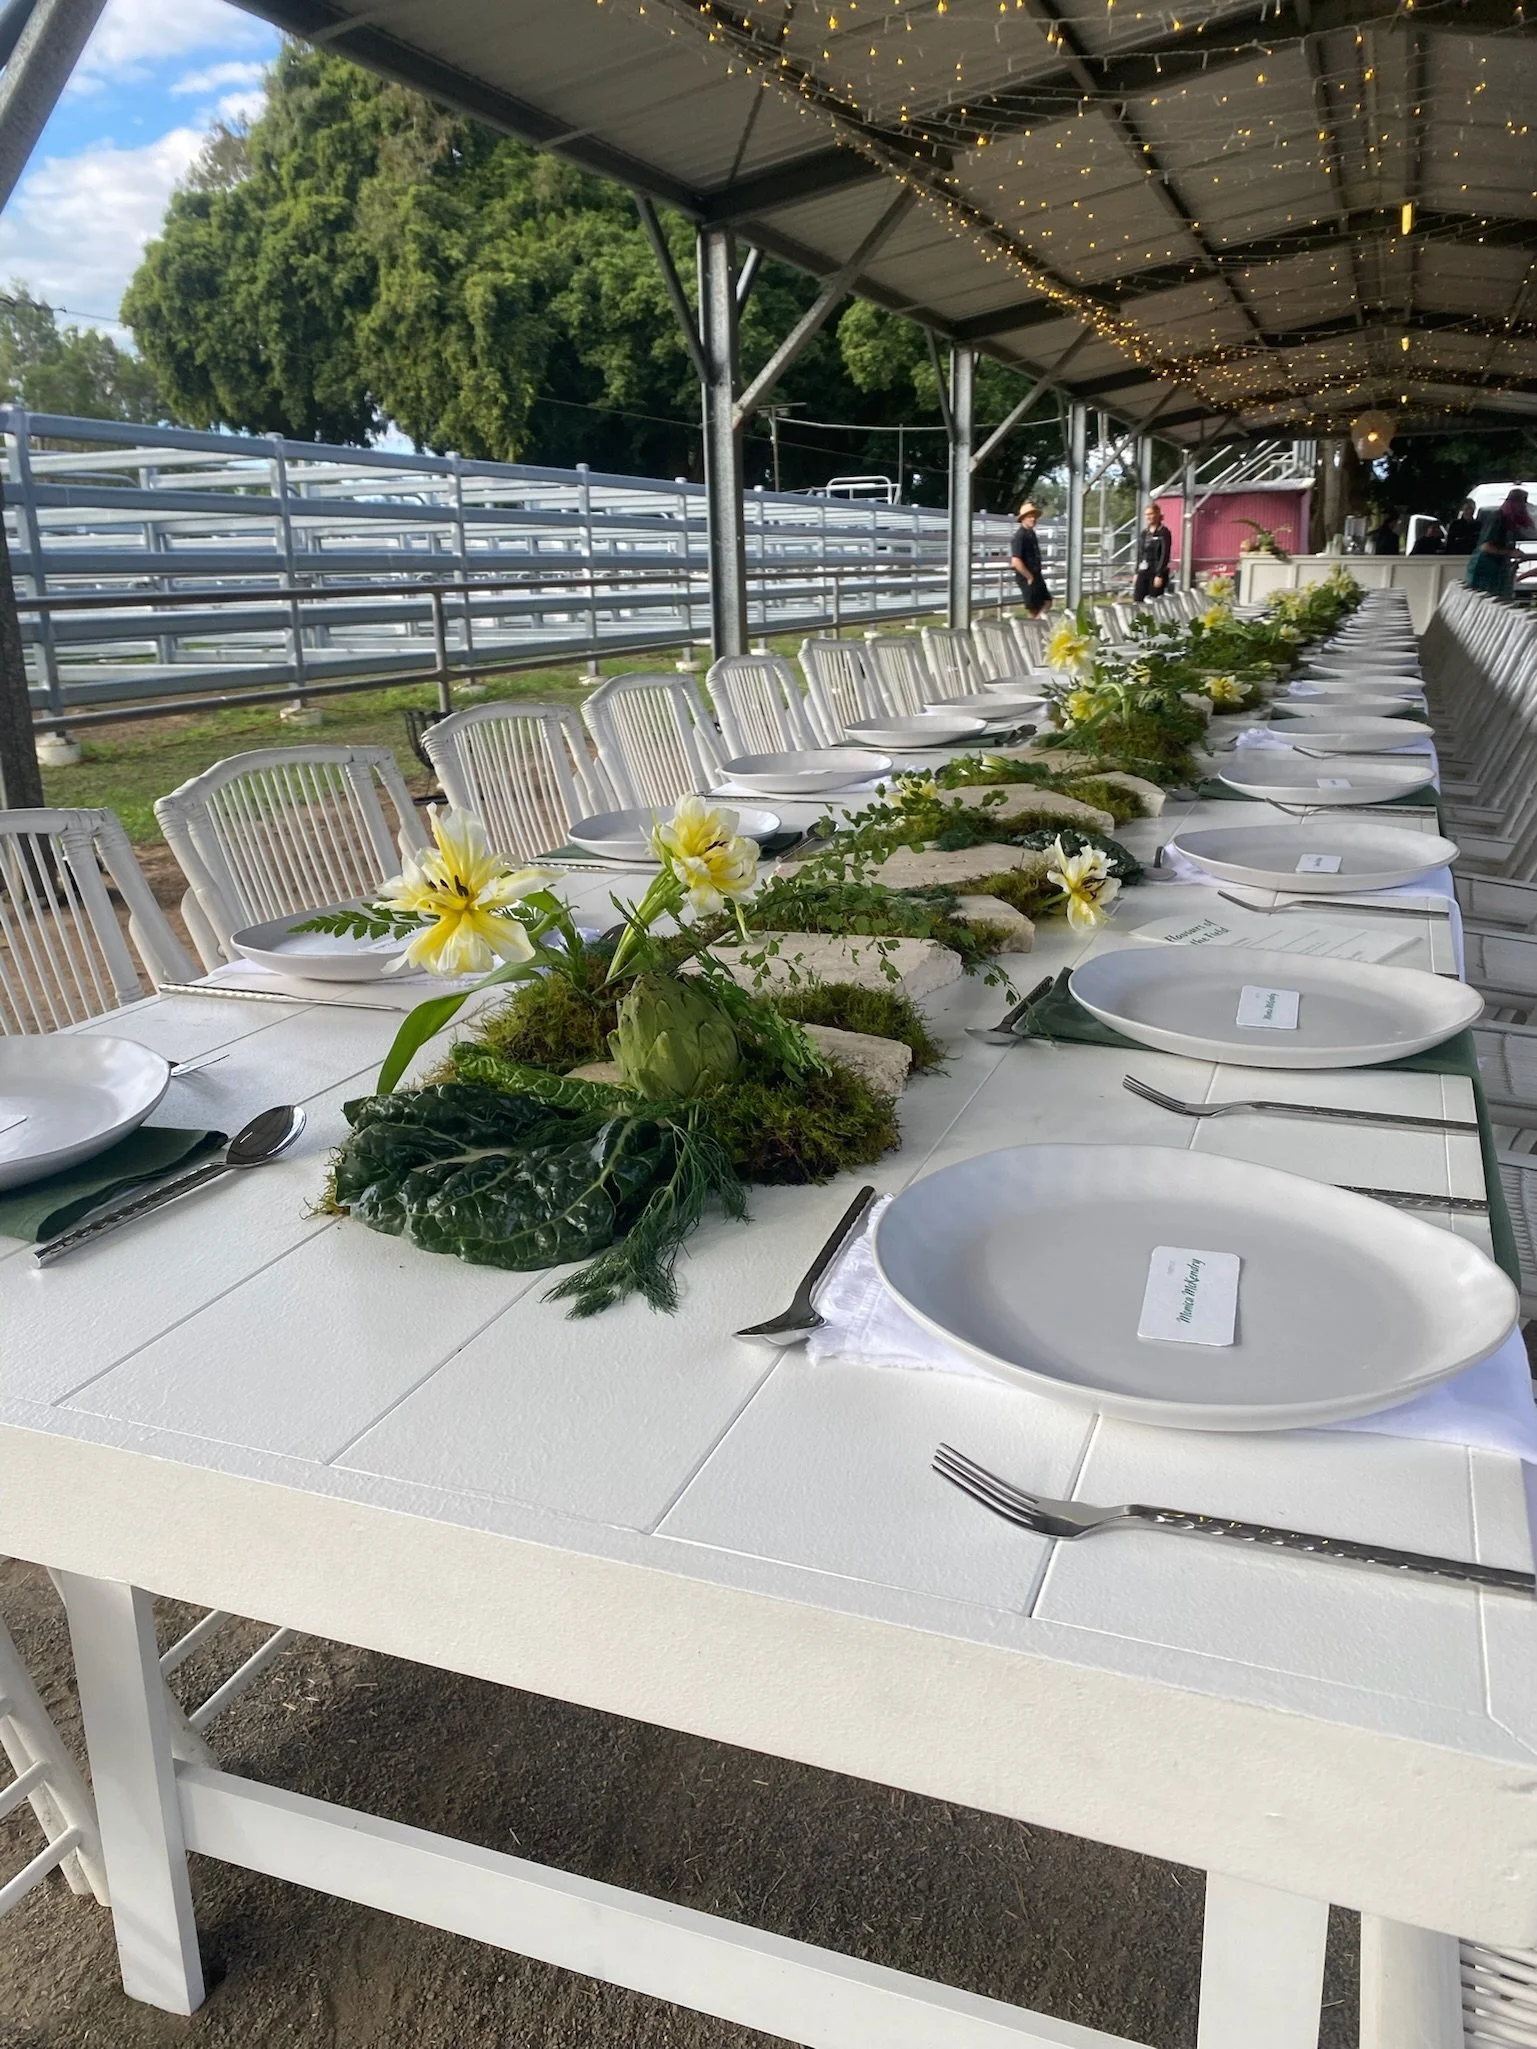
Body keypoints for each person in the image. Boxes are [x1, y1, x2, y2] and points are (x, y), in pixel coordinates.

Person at [1465, 488, 1535, 597]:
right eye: (1522, 502)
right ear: (1515, 502)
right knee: (1485, 601)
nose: (1523, 507)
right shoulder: (1497, 518)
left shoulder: (1509, 521)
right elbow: (1486, 546)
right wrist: (1509, 552)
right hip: (1485, 567)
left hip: (1496, 568)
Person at [1009, 501, 1051, 616]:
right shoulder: (1020, 536)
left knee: (1046, 602)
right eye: (1030, 517)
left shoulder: (1031, 534)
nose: (1033, 519)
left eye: (1034, 517)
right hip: (1027, 576)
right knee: (1034, 608)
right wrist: (1029, 576)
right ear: (1023, 519)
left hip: (1036, 574)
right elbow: (1016, 560)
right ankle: (1032, 629)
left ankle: (1037, 626)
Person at [1132, 503, 1172, 602]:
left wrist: (1159, 574)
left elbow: (1164, 554)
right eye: (1147, 514)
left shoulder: (1164, 532)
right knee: (1138, 599)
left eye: (1151, 514)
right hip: (1144, 569)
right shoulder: (1144, 533)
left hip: (1156, 570)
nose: (1149, 517)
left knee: (1154, 600)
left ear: (1157, 514)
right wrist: (1136, 572)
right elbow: (1140, 553)